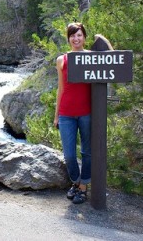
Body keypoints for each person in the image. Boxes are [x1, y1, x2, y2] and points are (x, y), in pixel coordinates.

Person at [54, 22, 91, 204]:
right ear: (68, 39)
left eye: (79, 35)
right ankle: (76, 182)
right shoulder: (62, 60)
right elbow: (60, 89)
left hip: (86, 113)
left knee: (87, 152)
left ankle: (83, 187)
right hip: (66, 113)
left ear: (84, 37)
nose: (76, 39)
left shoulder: (91, 58)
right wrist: (56, 115)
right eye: (72, 36)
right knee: (69, 155)